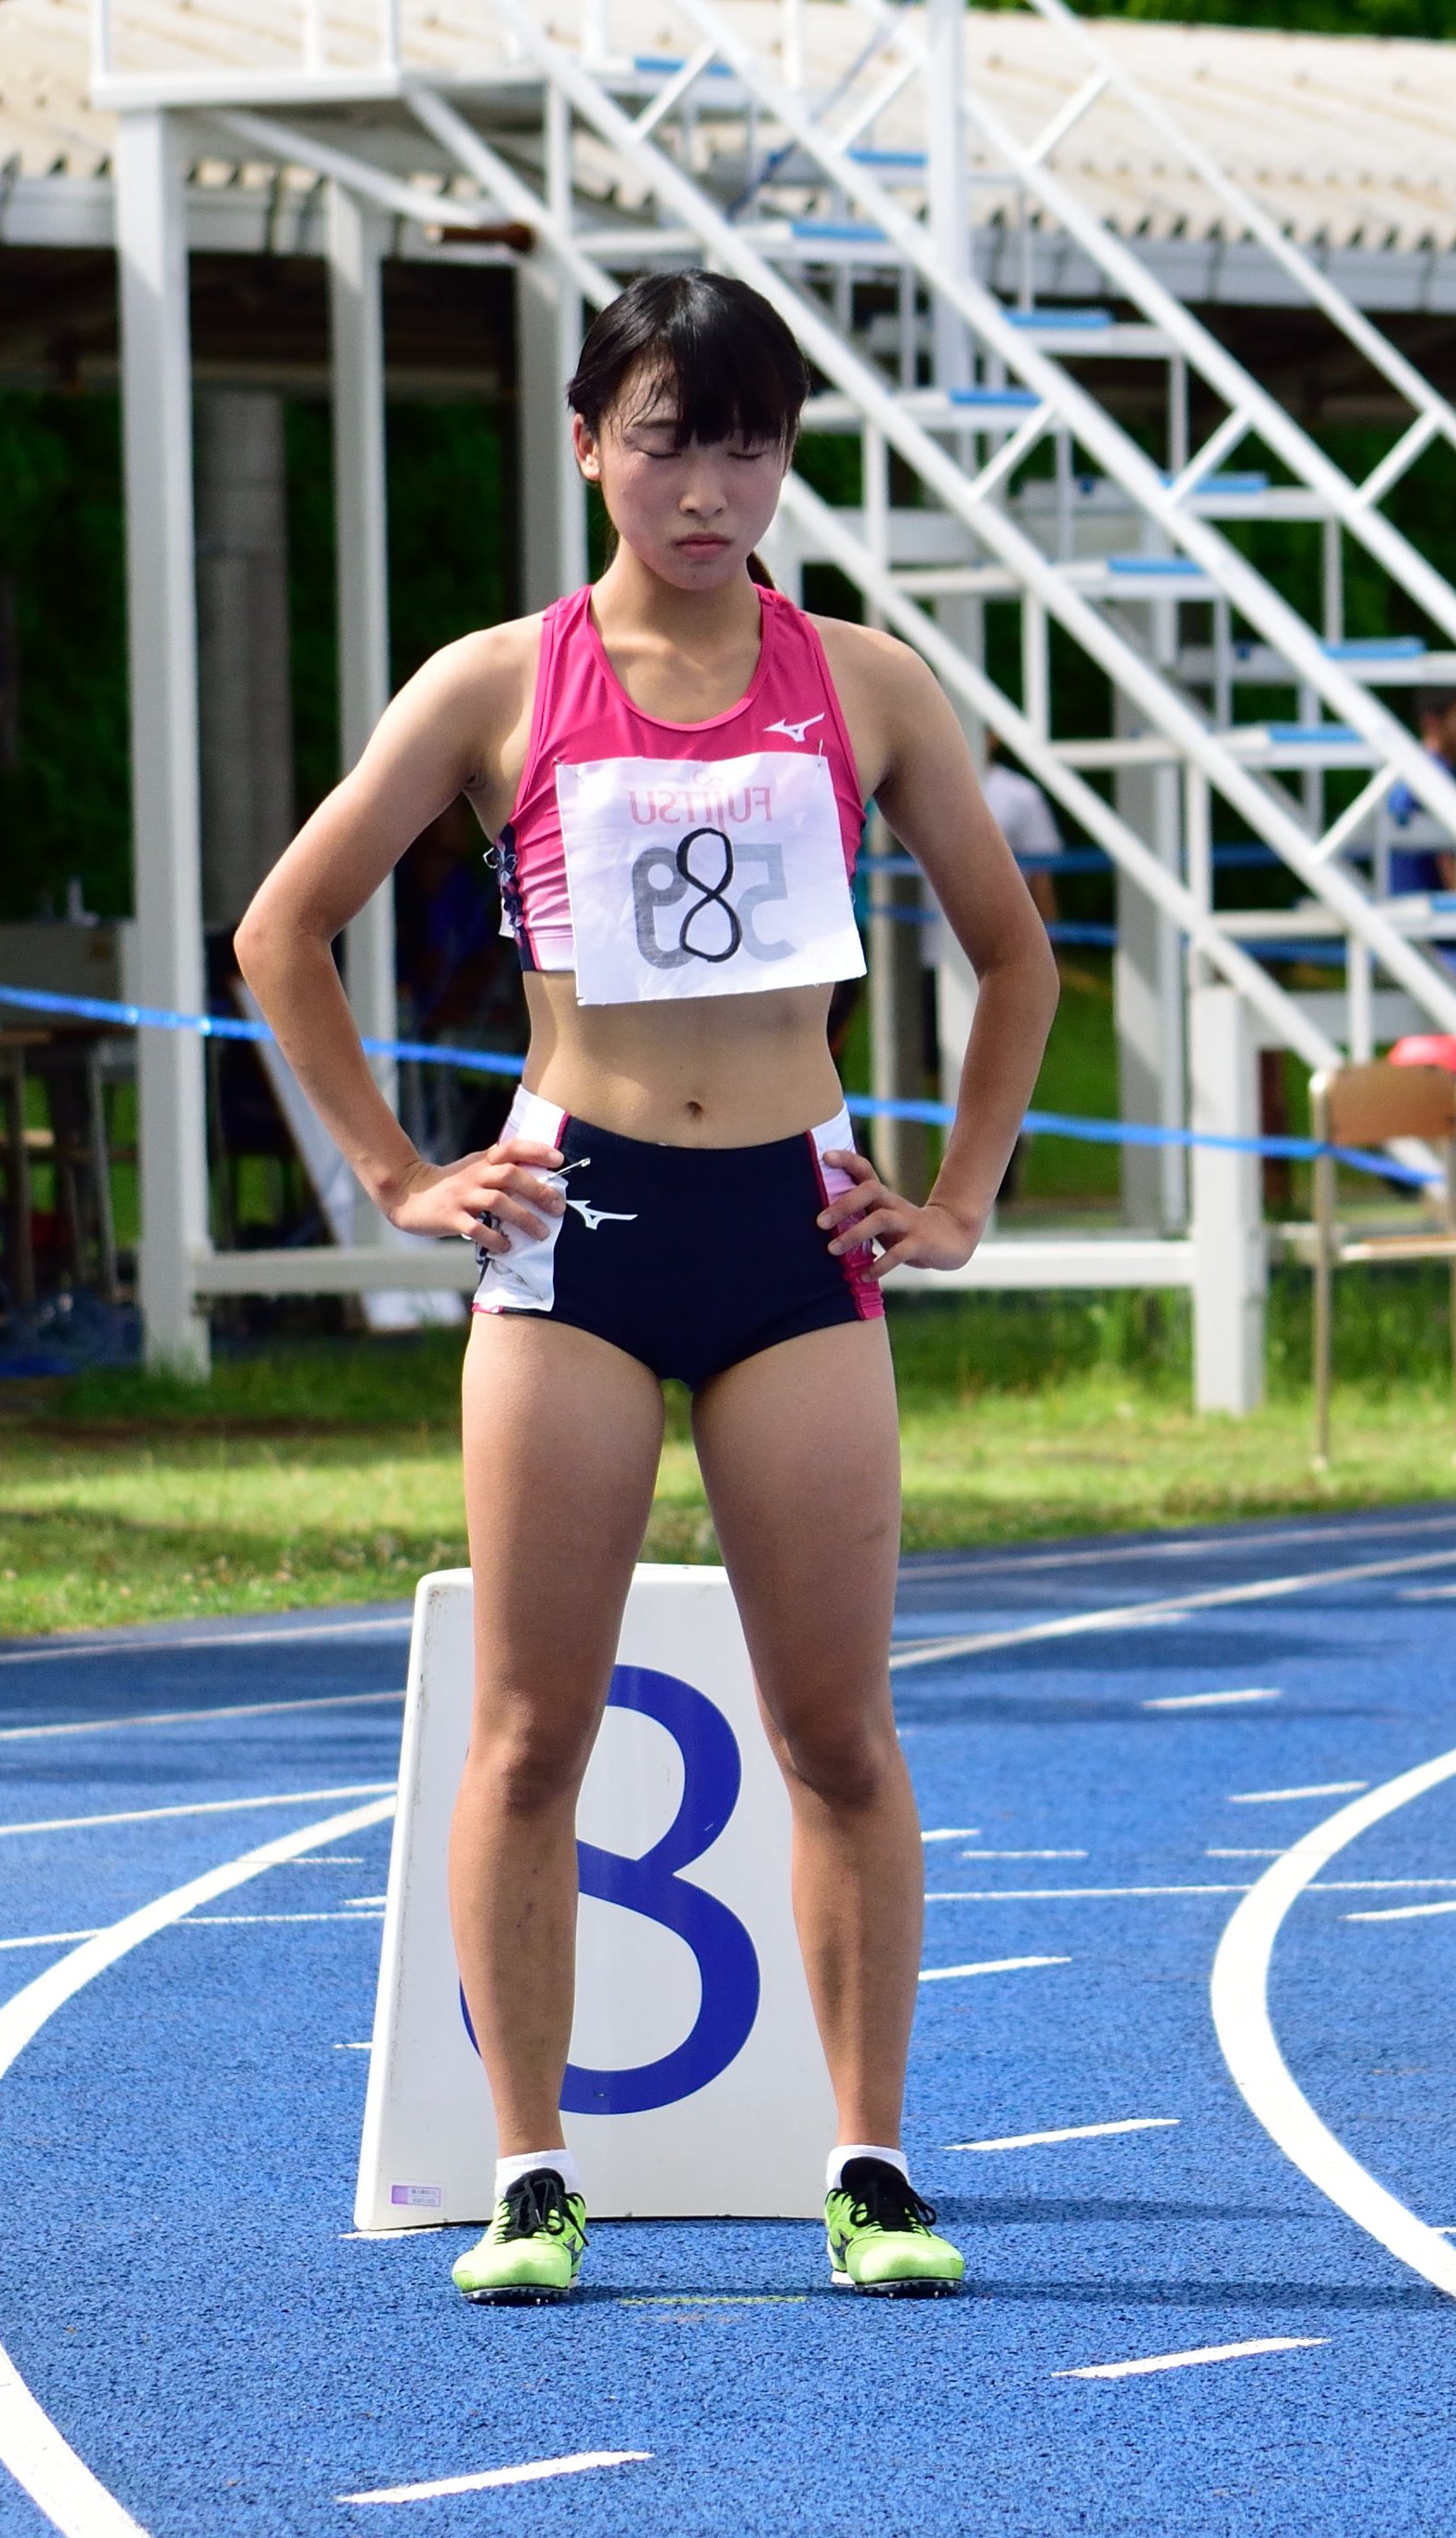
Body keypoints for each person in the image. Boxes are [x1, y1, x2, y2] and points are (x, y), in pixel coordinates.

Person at [234, 270, 1057, 2306]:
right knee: (530, 1732)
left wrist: (958, 1197)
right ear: (590, 441)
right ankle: (530, 2176)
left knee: (837, 1732)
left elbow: (1014, 955)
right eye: (670, 439)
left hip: (792, 1231)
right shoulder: (491, 683)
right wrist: (401, 1174)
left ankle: (869, 2167)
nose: (710, 488)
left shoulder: (866, 683)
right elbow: (280, 930)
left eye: (750, 446)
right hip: (571, 1227)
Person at [1380, 687, 1456, 895]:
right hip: (1424, 904)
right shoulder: (1436, 776)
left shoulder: (1405, 769)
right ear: (1432, 722)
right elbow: (1445, 858)